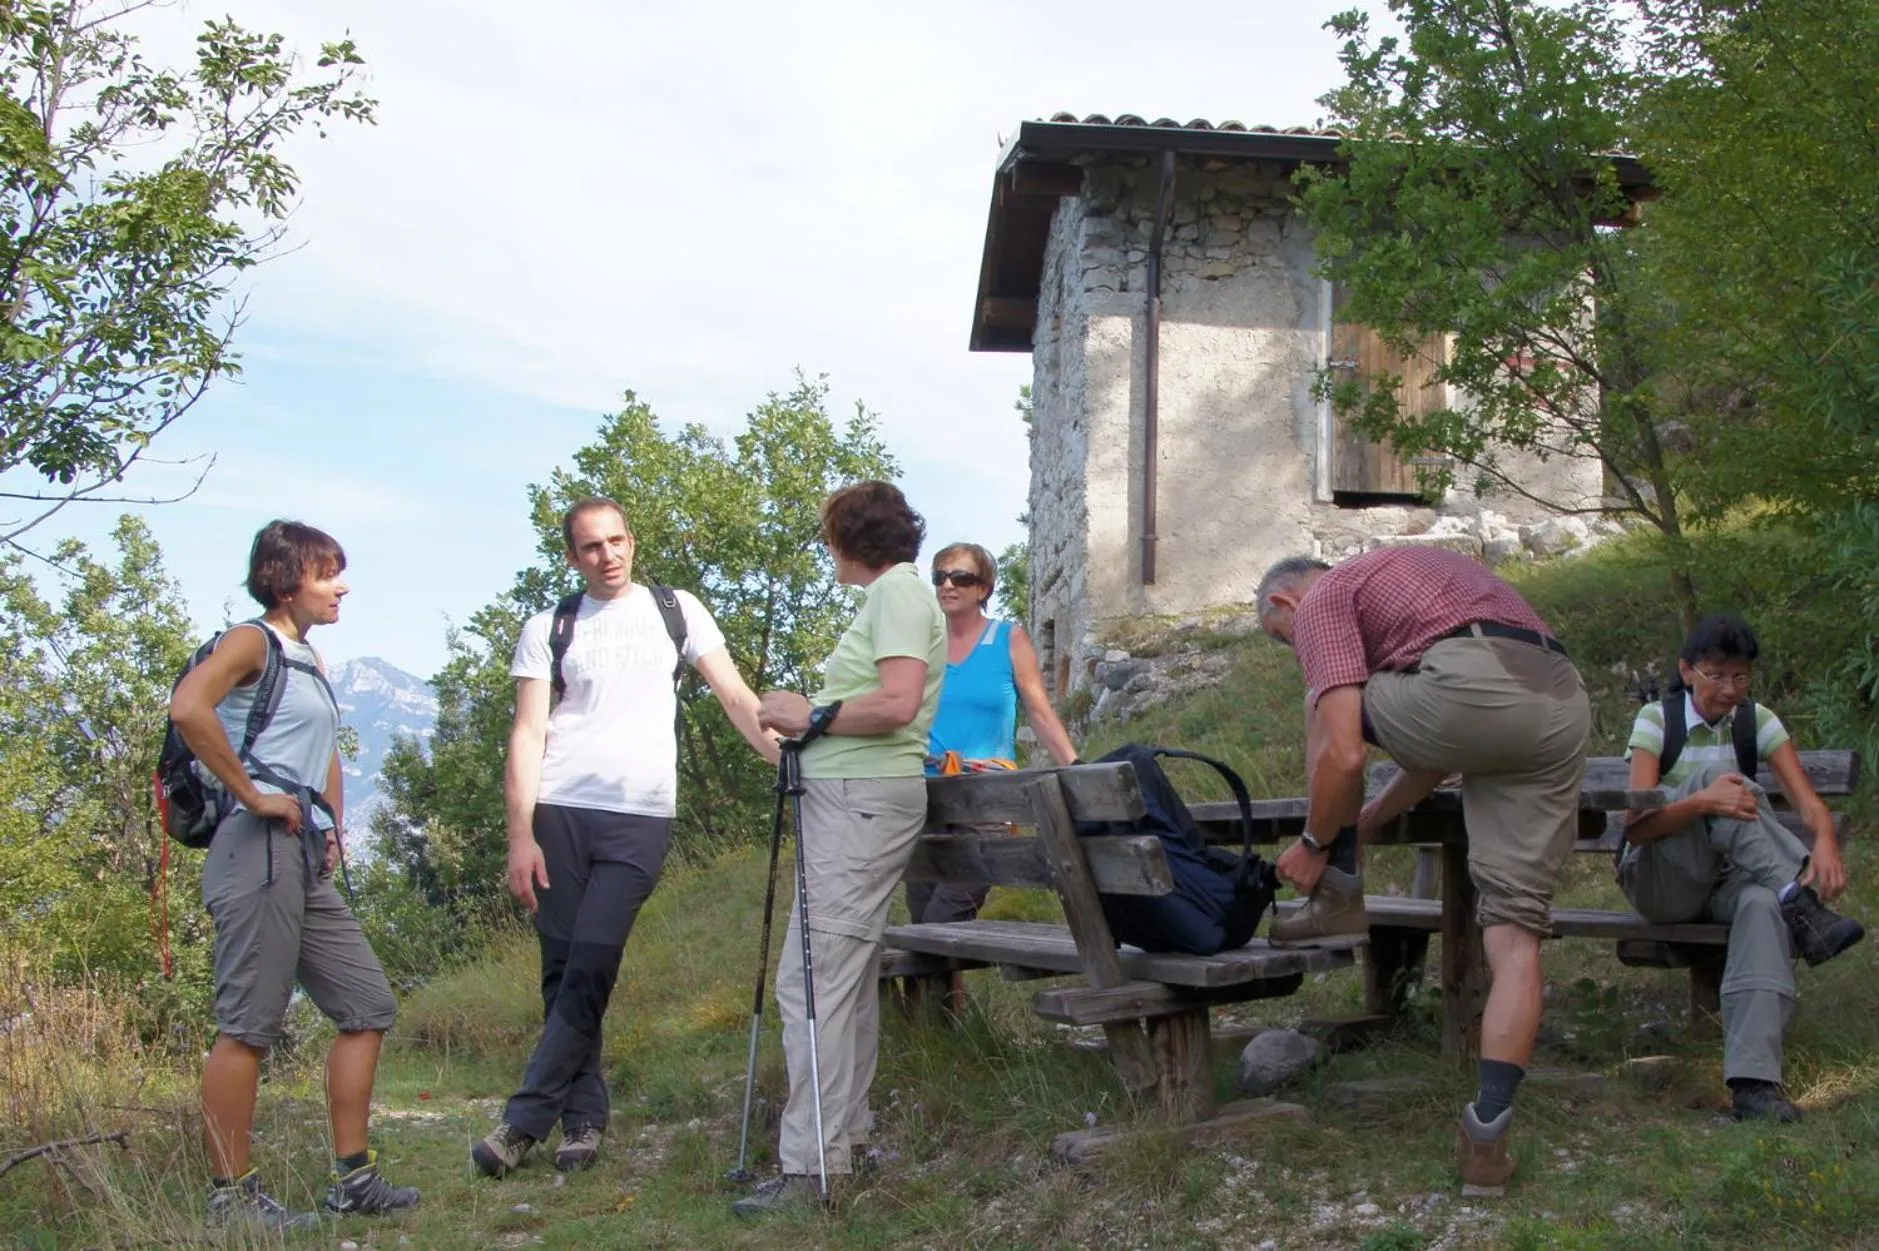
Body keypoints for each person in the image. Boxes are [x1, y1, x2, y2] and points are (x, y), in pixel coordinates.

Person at [1255, 547, 1590, 1196]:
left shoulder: (1323, 598)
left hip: (1471, 690)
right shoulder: (1415, 581)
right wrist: (1372, 814)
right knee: (1514, 935)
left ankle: (1334, 892)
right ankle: (1488, 1127)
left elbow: (1346, 752)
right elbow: (1444, 746)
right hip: (1557, 705)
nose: (1292, 646)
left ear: (1283, 603)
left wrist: (1315, 840)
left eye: (1281, 639)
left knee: (1327, 701)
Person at [473, 497, 778, 1177]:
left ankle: (523, 1121)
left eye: (615, 541)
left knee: (593, 959)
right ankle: (582, 1122)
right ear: (571, 555)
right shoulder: (549, 625)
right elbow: (527, 732)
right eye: (590, 546)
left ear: (632, 542)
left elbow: (734, 696)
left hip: (641, 813)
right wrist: (519, 835)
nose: (606, 555)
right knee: (562, 970)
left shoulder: (677, 610)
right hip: (558, 808)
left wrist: (788, 760)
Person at [170, 520, 416, 1231]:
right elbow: (189, 706)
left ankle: (354, 1179)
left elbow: (324, 751)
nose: (342, 585)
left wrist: (332, 824)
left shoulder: (308, 658)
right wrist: (250, 794)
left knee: (367, 1005)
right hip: (254, 848)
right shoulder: (252, 640)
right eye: (326, 573)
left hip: (300, 855)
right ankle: (232, 1201)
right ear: (286, 579)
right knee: (248, 1025)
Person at [733, 480, 947, 1216]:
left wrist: (809, 713)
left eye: (827, 535)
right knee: (839, 980)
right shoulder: (900, 596)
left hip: (859, 800)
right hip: (855, 798)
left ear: (844, 537)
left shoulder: (896, 595)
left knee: (812, 981)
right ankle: (840, 1146)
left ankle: (809, 1168)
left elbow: (897, 702)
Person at [1619, 614, 1863, 1122]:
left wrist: (1826, 842)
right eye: (1716, 675)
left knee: (1760, 905)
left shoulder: (1759, 722)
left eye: (1741, 677)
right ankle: (1801, 899)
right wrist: (1701, 802)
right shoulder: (1656, 722)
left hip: (1733, 878)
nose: (1730, 689)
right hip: (1664, 880)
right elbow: (1636, 826)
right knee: (1720, 780)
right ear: (1687, 671)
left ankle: (1755, 1086)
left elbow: (1808, 802)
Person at [910, 541, 1080, 928]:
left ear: (983, 588)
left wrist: (1074, 764)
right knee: (922, 921)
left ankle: (942, 984)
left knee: (943, 916)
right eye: (941, 577)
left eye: (962, 577)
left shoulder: (1008, 639)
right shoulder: (924, 645)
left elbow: (1039, 711)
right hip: (927, 796)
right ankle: (948, 993)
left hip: (987, 796)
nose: (948, 585)